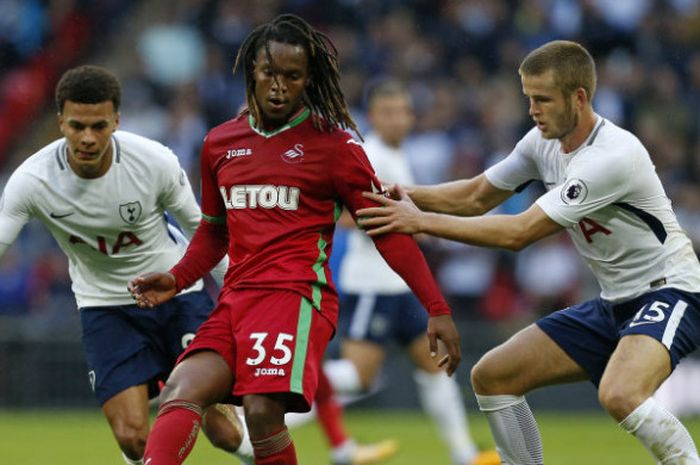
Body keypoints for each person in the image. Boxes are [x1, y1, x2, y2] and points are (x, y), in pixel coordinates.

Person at [127, 13, 461, 465]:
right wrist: (176, 276)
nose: (279, 86)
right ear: (252, 73)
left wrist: (436, 307)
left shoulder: (335, 147)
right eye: (269, 73)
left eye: (292, 76)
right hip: (235, 299)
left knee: (264, 411)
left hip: (297, 296)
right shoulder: (220, 144)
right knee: (182, 391)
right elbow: (214, 231)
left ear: (309, 80)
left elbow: (389, 232)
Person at [356, 40, 700, 464]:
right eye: (528, 98)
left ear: (579, 98)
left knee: (621, 393)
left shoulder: (611, 156)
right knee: (493, 376)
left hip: (671, 291)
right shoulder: (542, 142)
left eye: (543, 99)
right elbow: (476, 195)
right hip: (614, 301)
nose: (533, 110)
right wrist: (405, 194)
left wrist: (419, 221)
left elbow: (519, 232)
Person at [0, 65, 254, 465]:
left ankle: (261, 455)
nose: (87, 138)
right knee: (133, 439)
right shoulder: (32, 180)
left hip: (178, 296)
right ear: (60, 122)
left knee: (222, 431)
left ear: (116, 120)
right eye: (77, 125)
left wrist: (242, 298)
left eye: (99, 126)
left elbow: (206, 233)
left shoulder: (155, 162)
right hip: (105, 308)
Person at [325, 79, 498, 465]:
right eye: (388, 112)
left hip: (398, 286)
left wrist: (414, 224)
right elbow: (348, 217)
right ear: (372, 117)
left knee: (434, 366)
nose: (397, 119)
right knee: (358, 377)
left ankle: (464, 454)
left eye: (403, 111)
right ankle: (270, 395)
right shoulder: (369, 154)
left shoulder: (394, 156)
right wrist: (406, 224)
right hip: (371, 283)